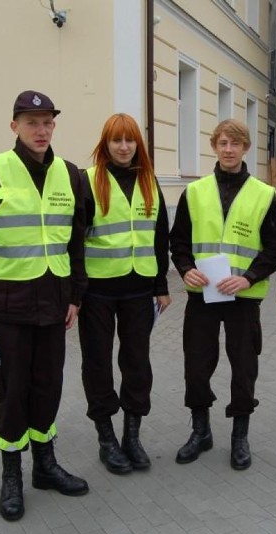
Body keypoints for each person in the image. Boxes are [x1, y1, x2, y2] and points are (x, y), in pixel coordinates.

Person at [0, 90, 89, 522]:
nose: (41, 129)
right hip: (6, 305)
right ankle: (12, 473)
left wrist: (76, 297)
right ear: (15, 126)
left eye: (48, 121)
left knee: (48, 385)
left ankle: (45, 466)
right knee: (12, 390)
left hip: (53, 301)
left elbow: (76, 242)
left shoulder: (71, 174)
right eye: (32, 122)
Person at [169, 119, 276, 470]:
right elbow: (178, 242)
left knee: (244, 367)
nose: (229, 149)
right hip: (202, 295)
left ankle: (239, 435)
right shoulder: (194, 192)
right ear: (214, 146)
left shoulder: (264, 194)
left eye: (235, 144)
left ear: (246, 148)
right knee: (197, 365)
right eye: (223, 143)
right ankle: (200, 431)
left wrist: (249, 278)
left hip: (243, 300)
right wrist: (185, 268)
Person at [79, 113, 171, 474]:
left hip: (139, 289)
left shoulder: (148, 180)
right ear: (106, 144)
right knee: (97, 363)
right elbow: (76, 239)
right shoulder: (88, 180)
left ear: (138, 144)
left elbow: (159, 234)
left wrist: (162, 285)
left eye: (129, 140)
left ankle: (132, 435)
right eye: (116, 140)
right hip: (97, 291)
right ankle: (107, 438)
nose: (123, 147)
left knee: (137, 364)